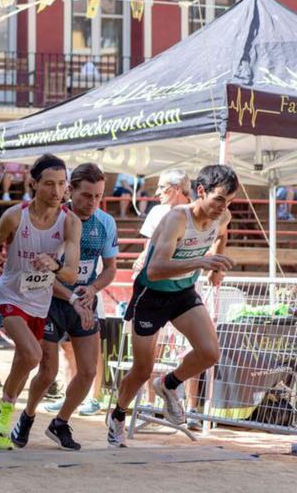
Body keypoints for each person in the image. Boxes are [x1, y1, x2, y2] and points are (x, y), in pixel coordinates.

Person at [107, 165, 236, 448]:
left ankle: (168, 384)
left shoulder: (222, 215)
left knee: (210, 352)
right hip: (151, 294)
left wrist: (217, 265)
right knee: (142, 368)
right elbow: (154, 270)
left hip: (182, 293)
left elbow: (223, 232)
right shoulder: (177, 218)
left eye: (228, 201)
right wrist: (202, 262)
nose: (222, 207)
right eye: (218, 199)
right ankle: (117, 414)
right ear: (200, 191)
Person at [12, 163, 118, 451]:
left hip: (82, 302)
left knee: (88, 372)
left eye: (98, 196)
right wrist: (71, 296)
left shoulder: (105, 223)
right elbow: (42, 273)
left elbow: (110, 268)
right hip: (48, 299)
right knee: (47, 372)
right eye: (86, 196)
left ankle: (60, 422)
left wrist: (92, 290)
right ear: (70, 190)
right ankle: (28, 415)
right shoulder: (57, 219)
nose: (92, 203)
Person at [0, 154, 81, 450]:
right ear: (33, 184)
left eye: (62, 184)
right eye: (49, 184)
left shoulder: (70, 222)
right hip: (9, 295)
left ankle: (1, 415)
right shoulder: (15, 216)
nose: (57, 192)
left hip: (40, 301)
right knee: (31, 355)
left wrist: (54, 265)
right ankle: (4, 414)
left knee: (24, 360)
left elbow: (72, 272)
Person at [133, 169, 192, 275]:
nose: (157, 192)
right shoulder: (156, 211)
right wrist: (142, 258)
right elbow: (150, 244)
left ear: (177, 188)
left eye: (162, 187)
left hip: (185, 279)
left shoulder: (198, 212)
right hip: (156, 277)